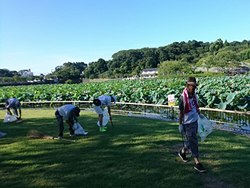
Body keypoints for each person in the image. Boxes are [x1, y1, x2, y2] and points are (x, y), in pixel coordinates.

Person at [178, 77, 206, 173]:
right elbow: (181, 113)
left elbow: (196, 106)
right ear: (188, 86)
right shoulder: (182, 98)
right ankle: (197, 163)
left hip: (195, 120)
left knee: (191, 140)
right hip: (187, 122)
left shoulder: (194, 96)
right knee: (194, 141)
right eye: (192, 86)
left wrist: (199, 114)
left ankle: (182, 152)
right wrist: (180, 124)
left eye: (195, 87)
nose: (193, 88)